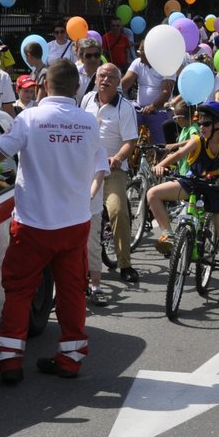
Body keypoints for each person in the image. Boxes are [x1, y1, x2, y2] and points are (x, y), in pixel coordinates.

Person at [0, 58, 108, 383]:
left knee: (20, 290)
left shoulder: (30, 118)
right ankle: (70, 360)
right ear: (78, 87)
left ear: (43, 86)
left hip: (34, 223)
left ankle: (10, 361)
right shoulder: (89, 122)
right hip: (75, 223)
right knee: (72, 292)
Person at [146, 100, 219, 304]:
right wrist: (161, 165)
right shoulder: (197, 139)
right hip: (193, 183)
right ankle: (168, 234)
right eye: (200, 122)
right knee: (153, 194)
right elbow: (179, 154)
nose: (201, 127)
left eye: (206, 123)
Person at [80, 62, 141, 291]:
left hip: (112, 170)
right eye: (101, 75)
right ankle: (83, 265)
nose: (105, 80)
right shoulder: (86, 100)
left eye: (111, 77)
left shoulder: (124, 107)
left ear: (118, 82)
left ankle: (125, 265)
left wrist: (117, 157)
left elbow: (130, 141)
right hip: (87, 168)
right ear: (95, 79)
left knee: (117, 210)